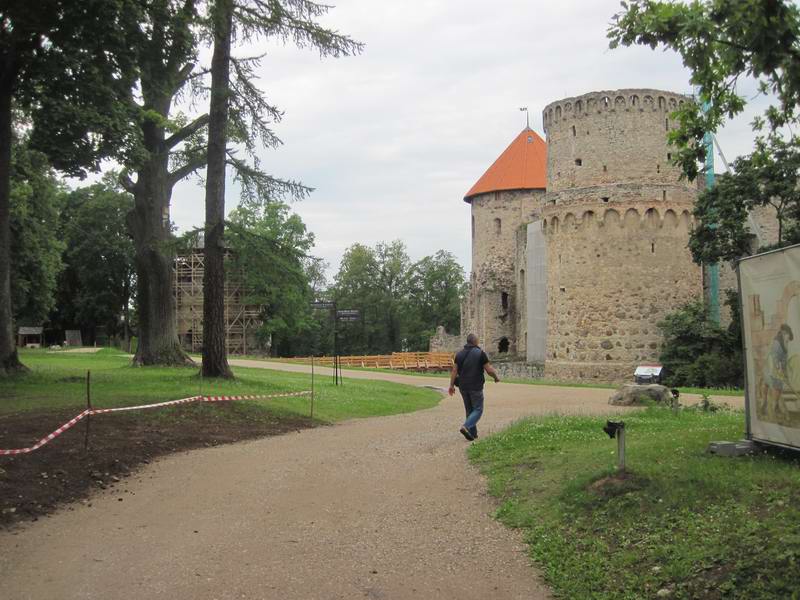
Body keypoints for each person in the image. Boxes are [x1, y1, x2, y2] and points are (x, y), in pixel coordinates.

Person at [448, 333, 500, 441]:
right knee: (478, 409)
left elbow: (454, 371)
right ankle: (466, 426)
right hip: (475, 386)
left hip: (463, 386)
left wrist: (451, 385)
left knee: (469, 409)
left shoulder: (459, 354)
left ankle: (473, 434)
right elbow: (489, 370)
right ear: (475, 342)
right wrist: (495, 377)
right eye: (478, 340)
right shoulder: (480, 353)